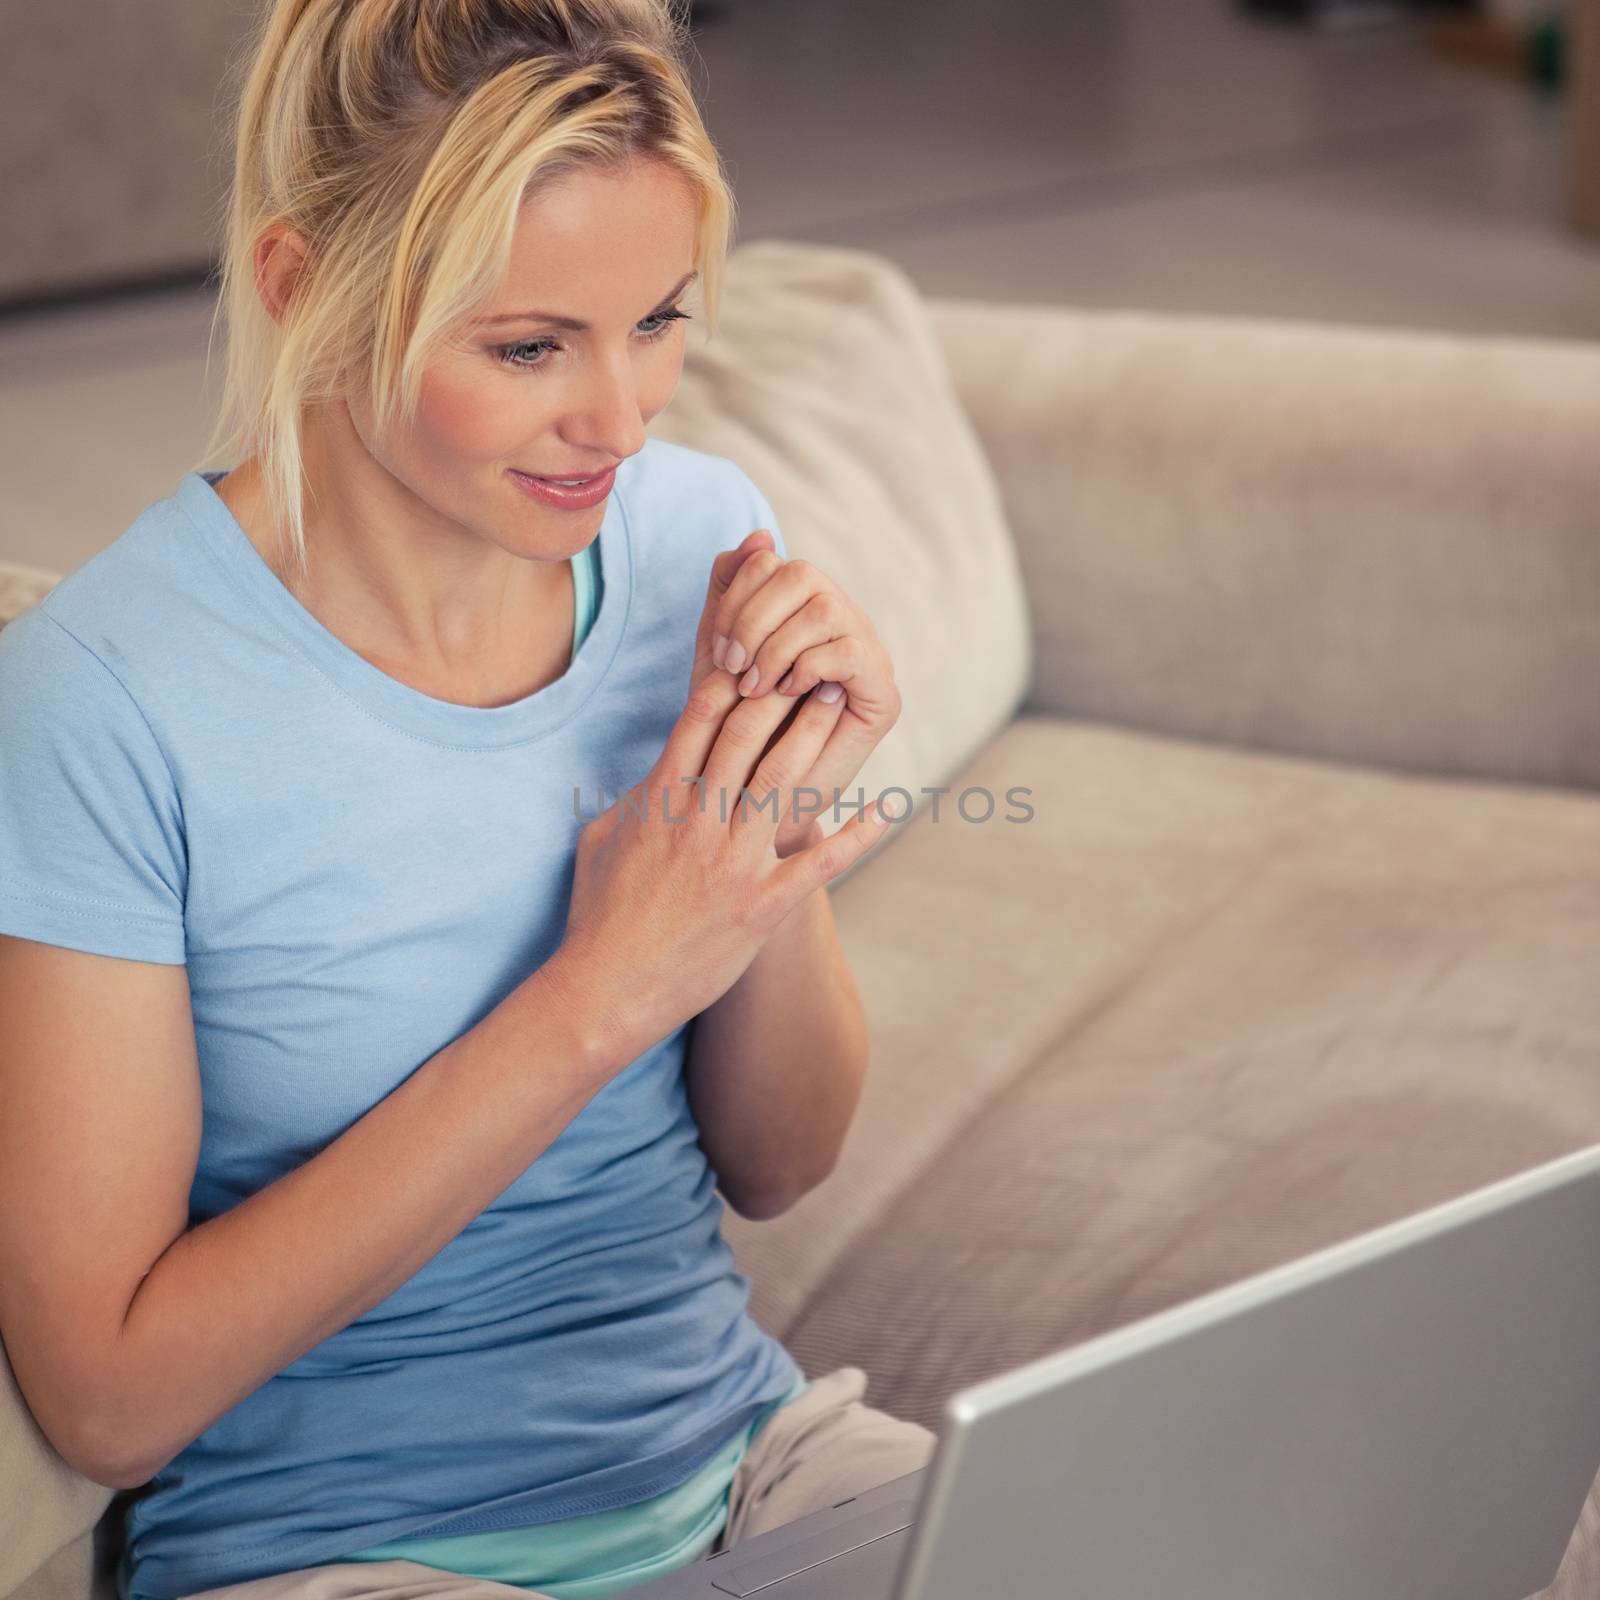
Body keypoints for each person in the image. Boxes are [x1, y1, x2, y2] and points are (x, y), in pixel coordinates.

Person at [0, 2, 931, 1598]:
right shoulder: (100, 701)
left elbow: (782, 1161)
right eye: (527, 347)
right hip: (345, 1554)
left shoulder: (696, 537)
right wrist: (595, 995)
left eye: (659, 320)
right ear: (307, 296)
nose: (622, 420)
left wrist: (760, 823)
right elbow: (111, 1398)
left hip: (753, 1468)